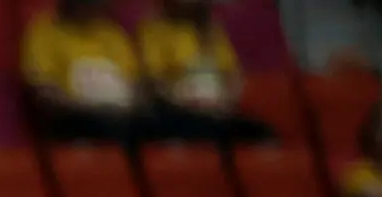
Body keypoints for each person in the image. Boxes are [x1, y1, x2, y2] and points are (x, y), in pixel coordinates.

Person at [138, 0, 270, 144]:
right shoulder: (153, 31)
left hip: (218, 110)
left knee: (261, 133)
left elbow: (232, 76)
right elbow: (156, 82)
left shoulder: (213, 33)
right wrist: (187, 98)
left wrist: (224, 101)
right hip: (180, 111)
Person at [23, 0, 147, 144]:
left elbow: (134, 82)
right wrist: (82, 107)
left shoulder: (111, 33)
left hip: (120, 112)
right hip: (73, 115)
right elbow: (43, 90)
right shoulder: (44, 32)